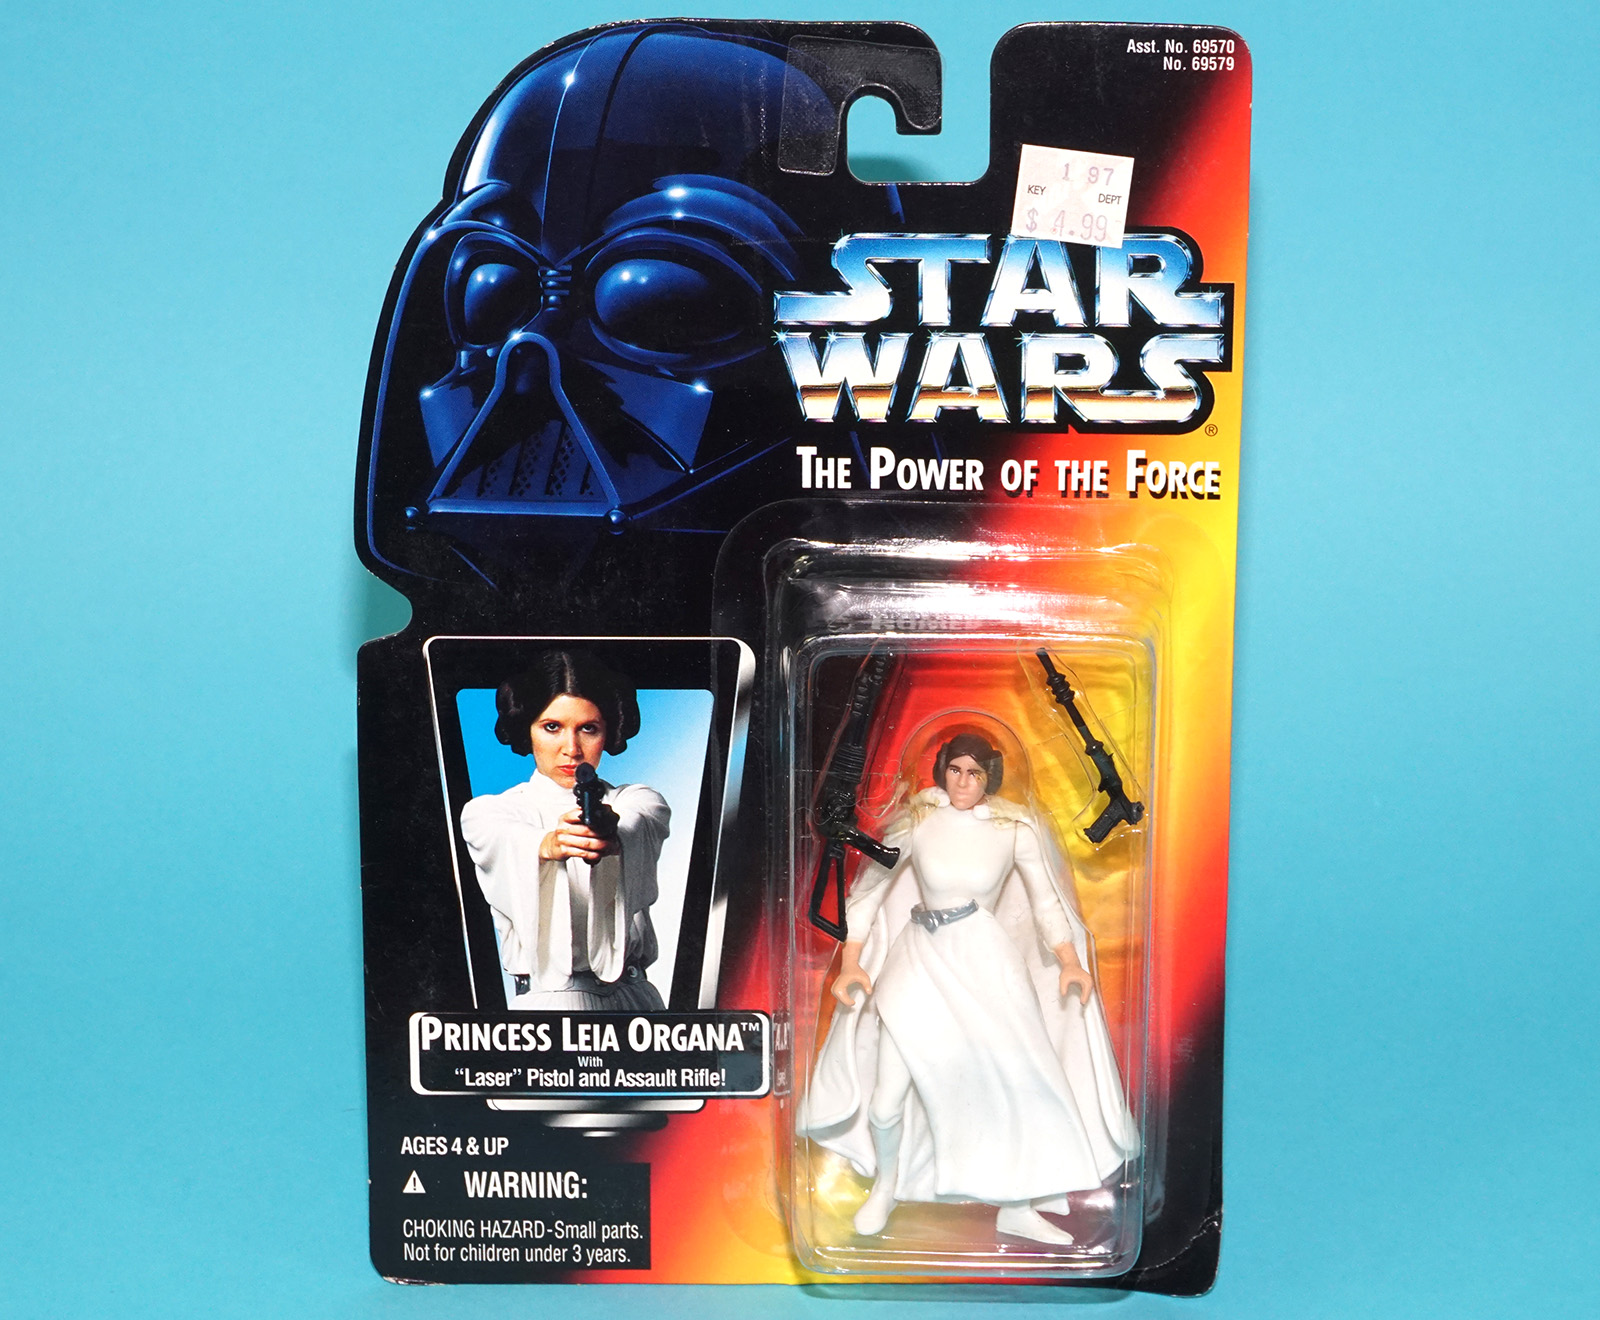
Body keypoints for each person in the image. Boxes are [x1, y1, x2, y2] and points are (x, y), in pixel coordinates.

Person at [798, 732, 1140, 1245]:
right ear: (942, 770)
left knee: (1015, 1082)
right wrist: (851, 965)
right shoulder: (917, 821)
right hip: (918, 959)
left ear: (990, 777)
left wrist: (1069, 961)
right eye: (955, 770)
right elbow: (866, 895)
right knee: (886, 1102)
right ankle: (886, 1187)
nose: (963, 782)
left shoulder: (1013, 829)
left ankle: (1017, 1205)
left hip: (986, 963)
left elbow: (1047, 903)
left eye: (974, 773)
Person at [460, 650, 669, 1011]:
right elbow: (509, 838)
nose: (571, 750)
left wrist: (610, 834)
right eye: (552, 727)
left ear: (608, 732)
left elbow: (635, 824)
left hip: (637, 1001)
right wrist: (549, 844)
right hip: (552, 1004)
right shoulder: (489, 812)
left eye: (588, 728)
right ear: (527, 728)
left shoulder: (639, 800)